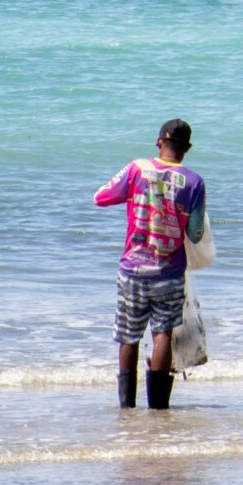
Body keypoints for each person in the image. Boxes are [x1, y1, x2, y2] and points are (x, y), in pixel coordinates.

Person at [96, 120, 207, 409]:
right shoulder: (194, 182)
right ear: (188, 148)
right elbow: (195, 234)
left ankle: (127, 406)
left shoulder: (137, 169)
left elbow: (102, 197)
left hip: (132, 268)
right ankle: (158, 408)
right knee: (162, 334)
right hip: (169, 272)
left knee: (128, 336)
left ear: (159, 142)